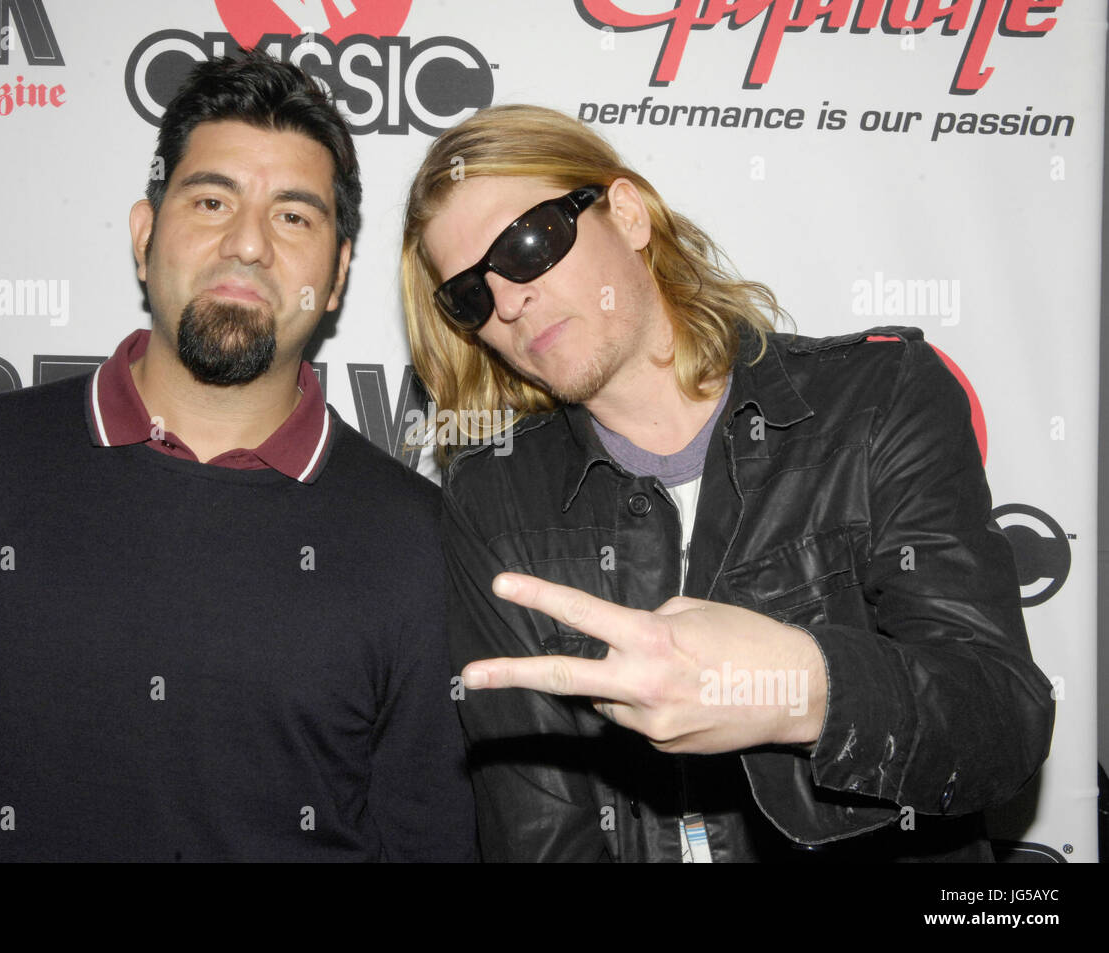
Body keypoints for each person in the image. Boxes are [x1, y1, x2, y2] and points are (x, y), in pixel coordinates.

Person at [0, 52, 475, 862]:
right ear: (145, 235)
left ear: (337, 276)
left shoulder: (413, 538)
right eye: (211, 200)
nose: (247, 246)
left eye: (294, 217)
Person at [400, 104, 1054, 862]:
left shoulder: (879, 399)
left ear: (627, 213)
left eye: (528, 244)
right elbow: (541, 834)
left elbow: (1002, 721)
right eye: (471, 296)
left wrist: (801, 686)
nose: (508, 301)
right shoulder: (495, 498)